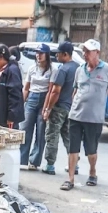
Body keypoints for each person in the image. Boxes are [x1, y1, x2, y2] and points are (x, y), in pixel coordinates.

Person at [63, 38, 108, 190]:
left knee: (91, 150)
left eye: (88, 51)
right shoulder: (80, 69)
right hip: (75, 115)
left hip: (94, 117)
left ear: (97, 52)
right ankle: (70, 179)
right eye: (84, 51)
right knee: (73, 149)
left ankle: (92, 172)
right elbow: (75, 89)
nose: (85, 54)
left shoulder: (107, 70)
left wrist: (100, 98)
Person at [40, 42, 78, 176]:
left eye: (59, 53)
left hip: (59, 107)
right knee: (69, 136)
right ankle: (74, 164)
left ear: (65, 54)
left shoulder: (63, 70)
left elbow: (55, 92)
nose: (56, 55)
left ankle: (50, 165)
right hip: (72, 108)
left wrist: (48, 109)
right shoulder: (78, 68)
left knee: (52, 135)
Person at [20, 45, 56, 170]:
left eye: (41, 53)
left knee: (41, 132)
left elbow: (51, 91)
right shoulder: (31, 68)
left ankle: (34, 161)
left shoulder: (52, 70)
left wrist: (46, 109)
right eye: (37, 53)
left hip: (44, 99)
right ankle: (22, 160)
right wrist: (21, 103)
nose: (38, 55)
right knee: (25, 129)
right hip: (31, 98)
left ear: (47, 55)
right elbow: (26, 88)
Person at [0, 45, 25, 129]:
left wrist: (11, 117)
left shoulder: (12, 70)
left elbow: (15, 96)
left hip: (6, 119)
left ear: (1, 57)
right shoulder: (2, 69)